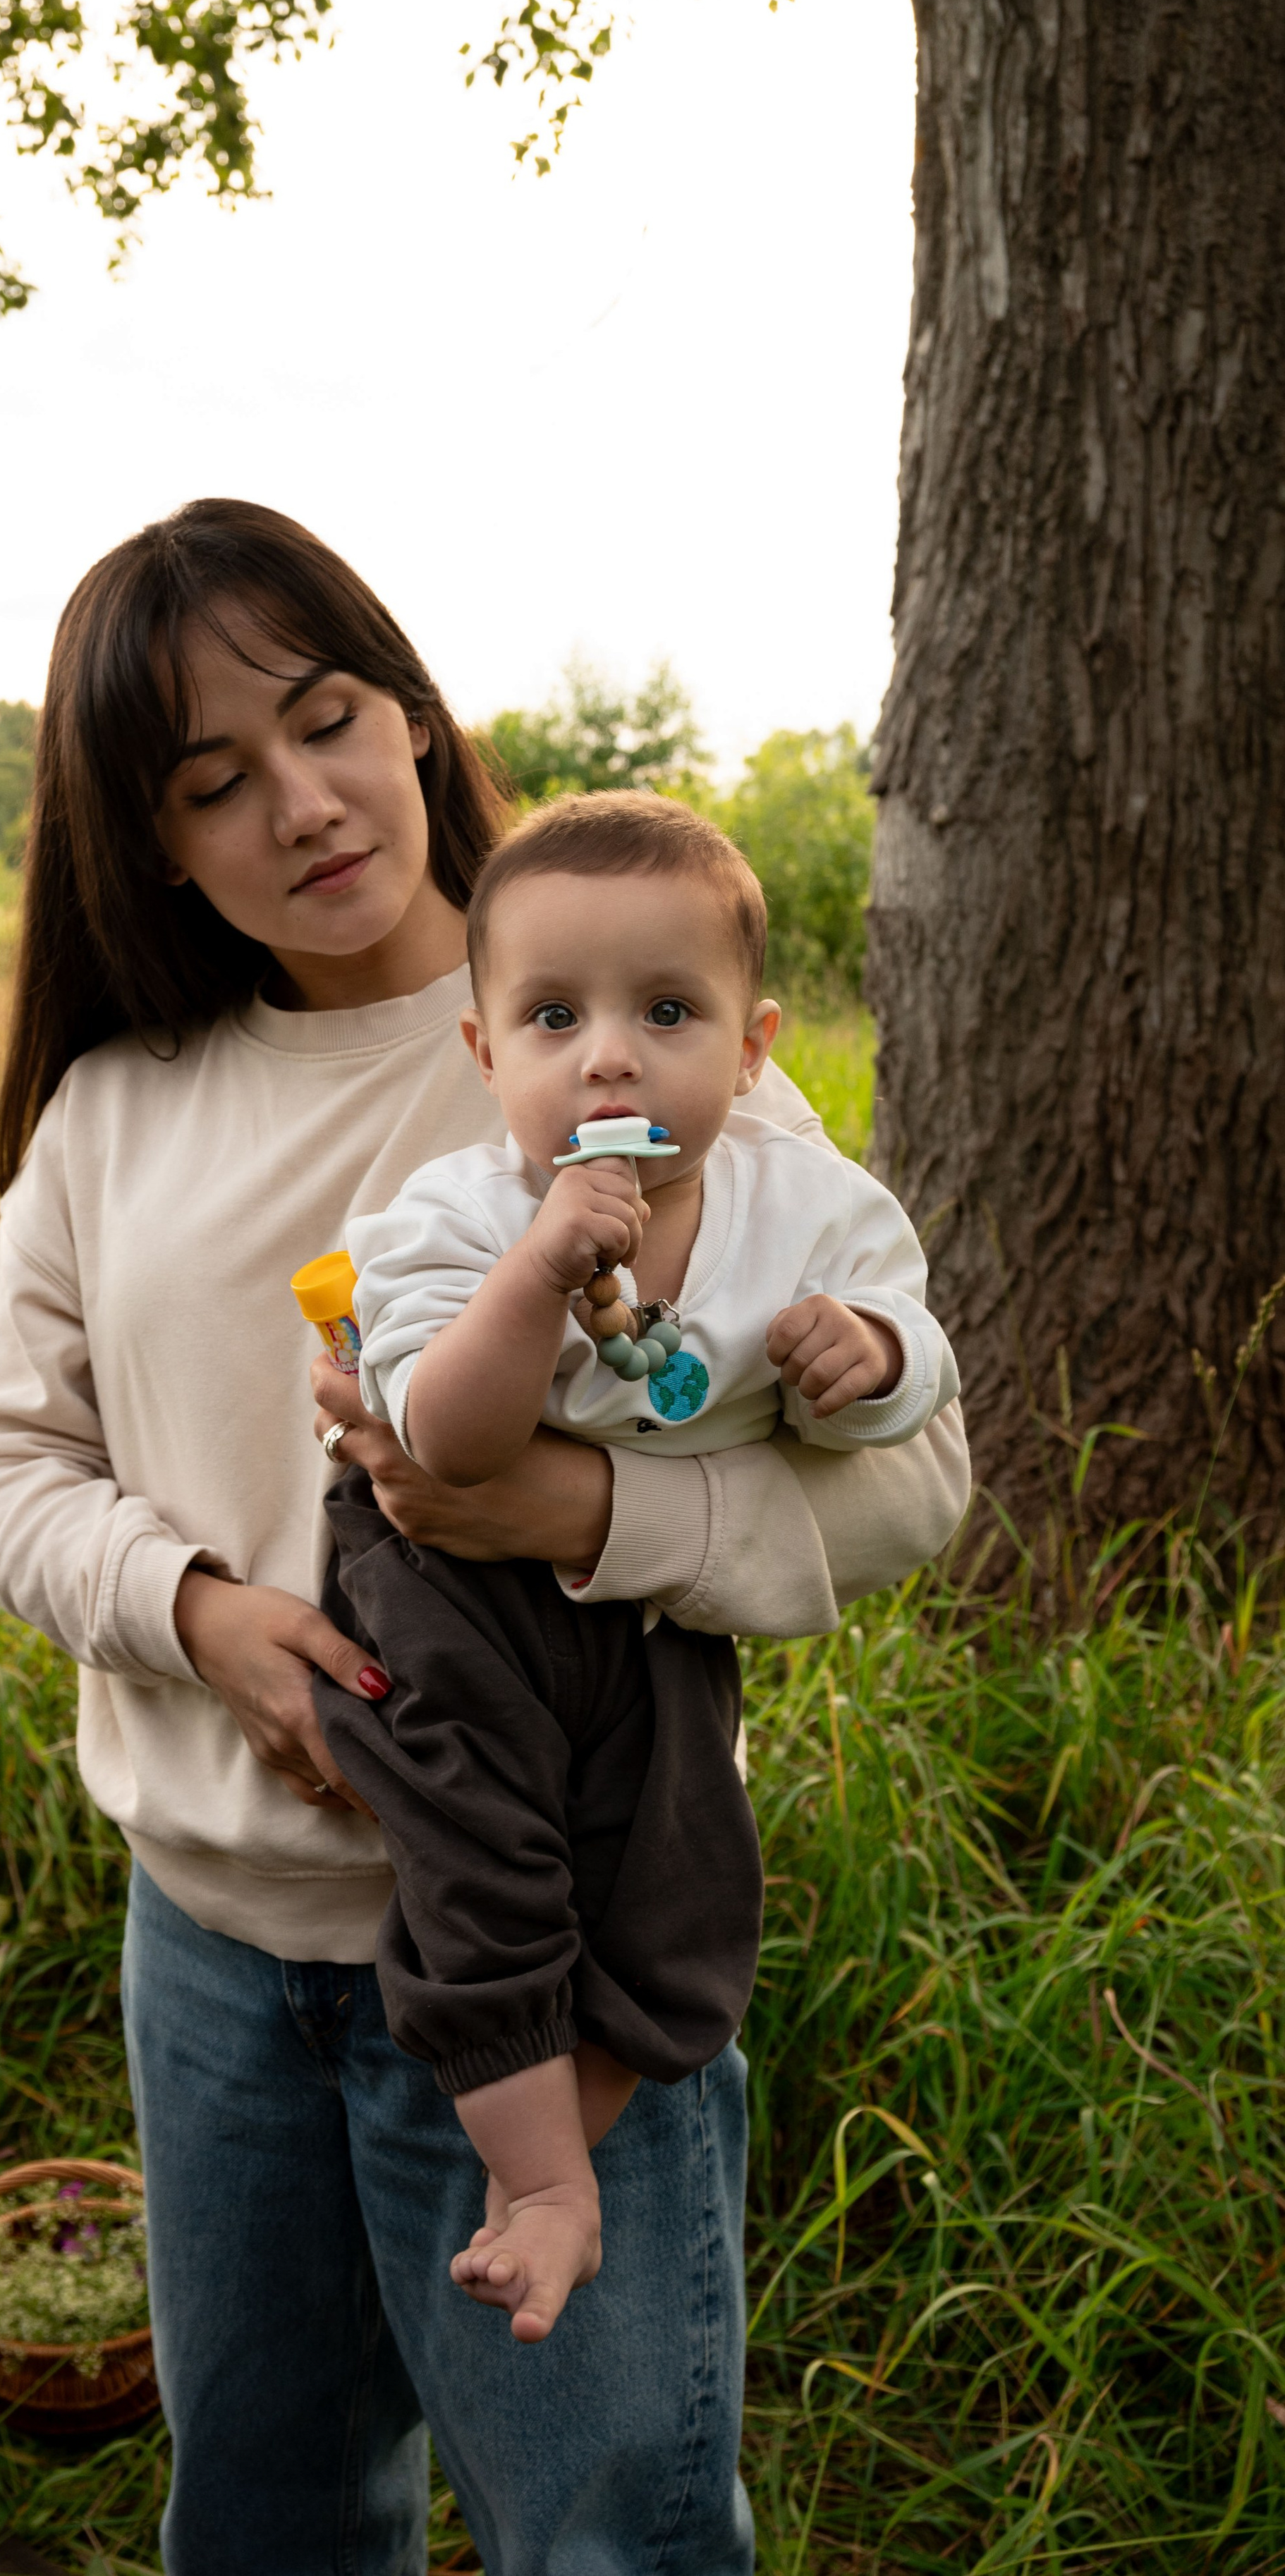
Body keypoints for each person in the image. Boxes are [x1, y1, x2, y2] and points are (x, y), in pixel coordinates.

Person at [0, 499, 970, 2576]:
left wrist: (571, 1504)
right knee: (270, 2514)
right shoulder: (120, 1106)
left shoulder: (626, 1027)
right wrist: (203, 1615)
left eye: (323, 721)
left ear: (409, 713)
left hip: (559, 1945)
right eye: (211, 781)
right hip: (219, 1959)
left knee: (609, 2532)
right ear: (146, 843)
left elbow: (910, 1491)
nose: (299, 804)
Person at [316, 789, 960, 2348]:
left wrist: (863, 1352)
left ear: (749, 1048)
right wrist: (537, 1271)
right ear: (487, 1057)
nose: (606, 1055)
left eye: (664, 1010)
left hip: (658, 1599)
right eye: (553, 1016)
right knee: (480, 1857)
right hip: (446, 1584)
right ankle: (539, 2183)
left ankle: (584, 2123)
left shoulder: (801, 1200)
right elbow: (441, 1446)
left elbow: (921, 1360)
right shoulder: (449, 1222)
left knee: (674, 1866)